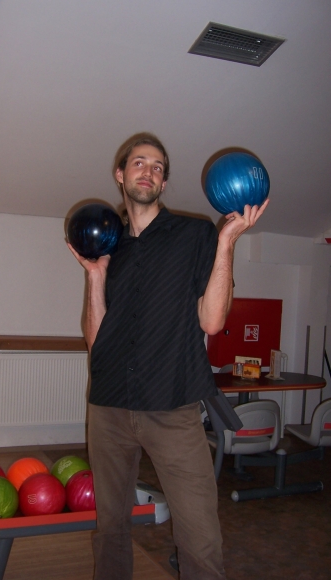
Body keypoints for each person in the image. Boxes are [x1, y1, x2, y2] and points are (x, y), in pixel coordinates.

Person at [68, 132, 268, 580]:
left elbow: (212, 321)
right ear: (120, 174)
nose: (149, 171)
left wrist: (227, 243)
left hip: (173, 406)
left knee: (200, 536)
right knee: (111, 528)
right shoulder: (108, 245)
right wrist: (96, 277)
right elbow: (98, 343)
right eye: (139, 163)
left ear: (163, 181)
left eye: (158, 167)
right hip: (109, 406)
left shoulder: (195, 234)